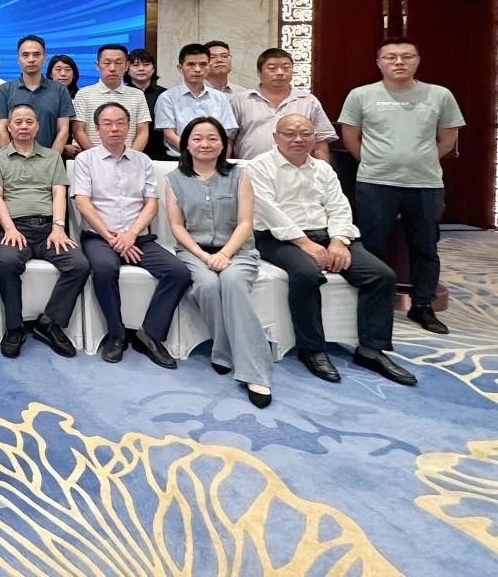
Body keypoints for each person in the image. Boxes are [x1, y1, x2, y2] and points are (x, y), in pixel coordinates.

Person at [247, 115, 414, 386]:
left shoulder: (323, 169)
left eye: (305, 133)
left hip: (327, 235)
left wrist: (337, 241)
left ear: (315, 138)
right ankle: (312, 348)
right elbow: (269, 211)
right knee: (306, 273)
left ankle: (371, 350)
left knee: (381, 275)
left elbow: (339, 206)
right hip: (279, 238)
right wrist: (305, 244)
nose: (298, 139)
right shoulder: (259, 167)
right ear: (276, 137)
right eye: (290, 134)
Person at [339, 37, 465, 335]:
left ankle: (422, 305)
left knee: (425, 246)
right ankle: (372, 303)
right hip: (375, 183)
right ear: (379, 62)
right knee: (371, 245)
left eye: (407, 56)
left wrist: (419, 160)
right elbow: (351, 137)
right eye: (391, 57)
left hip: (425, 184)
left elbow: (448, 139)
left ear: (417, 60)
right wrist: (377, 162)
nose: (399, 62)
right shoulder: (361, 95)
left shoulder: (439, 95)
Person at [164, 117, 272, 407]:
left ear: (223, 144)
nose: (205, 144)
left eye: (212, 138)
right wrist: (203, 256)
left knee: (233, 282)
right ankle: (223, 350)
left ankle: (256, 373)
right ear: (186, 144)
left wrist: (225, 254)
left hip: (237, 250)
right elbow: (177, 226)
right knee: (207, 285)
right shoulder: (174, 179)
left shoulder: (240, 174)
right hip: (194, 251)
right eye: (197, 138)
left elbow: (246, 222)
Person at [73, 103, 190, 368]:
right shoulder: (85, 160)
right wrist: (112, 237)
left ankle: (148, 334)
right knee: (104, 269)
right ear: (97, 128)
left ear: (129, 127)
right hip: (99, 237)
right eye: (107, 123)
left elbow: (151, 204)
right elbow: (83, 203)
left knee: (178, 272)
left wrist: (131, 234)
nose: (114, 128)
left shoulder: (143, 160)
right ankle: (116, 335)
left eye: (120, 123)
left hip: (138, 237)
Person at [0, 103, 87, 359]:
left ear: (38, 126)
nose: (23, 126)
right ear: (9, 127)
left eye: (29, 122)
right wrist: (9, 229)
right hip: (14, 228)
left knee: (79, 265)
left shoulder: (52, 157)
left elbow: (59, 193)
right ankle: (14, 328)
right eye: (18, 122)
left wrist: (58, 227)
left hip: (49, 229)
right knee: (8, 263)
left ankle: (50, 322)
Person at [231, 49, 335, 160]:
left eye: (286, 68)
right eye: (272, 68)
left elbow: (321, 139)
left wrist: (324, 168)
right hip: (250, 166)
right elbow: (227, 138)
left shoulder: (308, 101)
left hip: (298, 168)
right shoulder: (241, 100)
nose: (280, 73)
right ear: (259, 72)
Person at [153, 44, 238, 158]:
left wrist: (218, 160)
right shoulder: (167, 97)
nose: (197, 69)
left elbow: (226, 133)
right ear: (180, 68)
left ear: (208, 66)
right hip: (179, 159)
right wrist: (197, 155)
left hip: (214, 160)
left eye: (203, 64)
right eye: (191, 64)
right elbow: (169, 135)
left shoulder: (220, 97)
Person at [0, 35, 74, 152]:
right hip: (13, 160)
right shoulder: (5, 90)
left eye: (36, 54)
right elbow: (2, 130)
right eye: (25, 55)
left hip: (50, 159)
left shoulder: (60, 90)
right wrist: (9, 159)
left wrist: (52, 159)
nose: (31, 59)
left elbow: (63, 130)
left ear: (44, 57)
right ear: (18, 59)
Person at [73, 44, 151, 154]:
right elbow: (78, 131)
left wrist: (130, 157)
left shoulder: (138, 95)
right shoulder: (83, 94)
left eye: (118, 63)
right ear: (97, 65)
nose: (112, 68)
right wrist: (97, 157)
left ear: (127, 65)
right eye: (107, 63)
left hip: (128, 159)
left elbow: (143, 131)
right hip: (92, 158)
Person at [126, 48, 168, 160]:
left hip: (161, 154)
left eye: (146, 64)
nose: (141, 69)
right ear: (127, 68)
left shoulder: (165, 94)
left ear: (153, 68)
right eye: (135, 65)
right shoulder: (121, 94)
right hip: (129, 152)